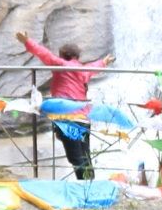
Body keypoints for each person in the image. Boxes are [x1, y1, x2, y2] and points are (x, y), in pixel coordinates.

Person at [16, 31, 111, 181]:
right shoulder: (82, 70)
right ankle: (90, 185)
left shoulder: (60, 65)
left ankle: (85, 188)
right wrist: (104, 61)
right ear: (77, 56)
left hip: (68, 118)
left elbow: (44, 54)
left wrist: (27, 42)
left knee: (76, 156)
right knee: (84, 154)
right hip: (84, 118)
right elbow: (95, 66)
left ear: (62, 55)